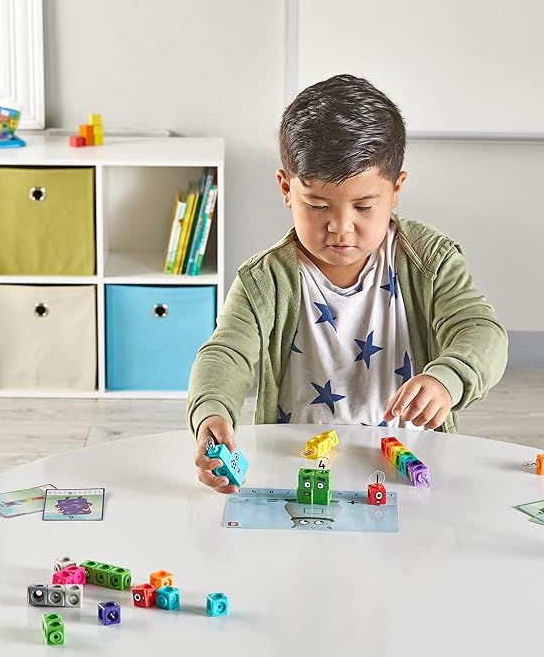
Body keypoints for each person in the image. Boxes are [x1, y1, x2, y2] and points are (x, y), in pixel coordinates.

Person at [187, 74, 508, 494]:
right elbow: (226, 352)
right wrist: (212, 411)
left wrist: (449, 377)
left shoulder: (428, 260)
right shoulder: (265, 280)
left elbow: (481, 331)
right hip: (295, 471)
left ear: (395, 191)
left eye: (364, 206)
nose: (340, 226)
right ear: (286, 188)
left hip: (407, 472)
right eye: (317, 205)